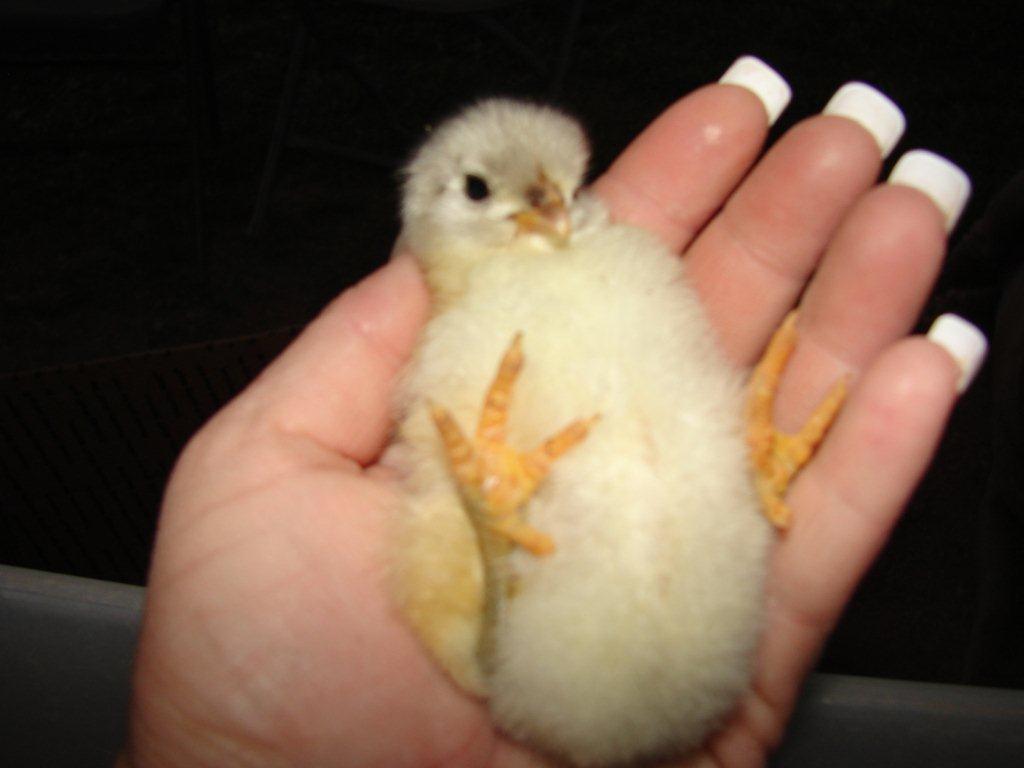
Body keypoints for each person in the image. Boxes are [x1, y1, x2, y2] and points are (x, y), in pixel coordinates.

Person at [117, 58, 984, 767]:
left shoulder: (609, 268)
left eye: (561, 186)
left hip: (683, 644)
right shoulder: (463, 327)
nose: (548, 208)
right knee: (474, 495)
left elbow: (676, 402)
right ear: (430, 207)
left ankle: (736, 483)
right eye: (485, 190)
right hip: (554, 666)